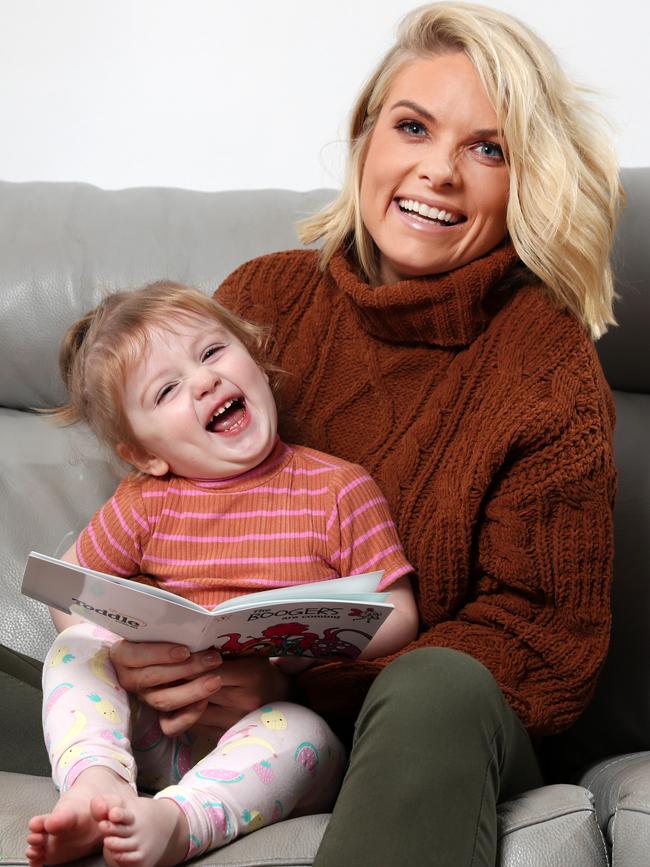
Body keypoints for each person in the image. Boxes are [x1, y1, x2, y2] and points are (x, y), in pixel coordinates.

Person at [3, 2, 622, 864]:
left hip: (407, 720)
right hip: (177, 714)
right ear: (367, 137)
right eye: (413, 126)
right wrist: (139, 657)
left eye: (490, 148)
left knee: (436, 686)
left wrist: (293, 681)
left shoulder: (545, 364)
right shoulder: (265, 298)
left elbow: (540, 645)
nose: (439, 170)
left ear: (527, 178)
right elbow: (163, 512)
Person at [24, 281, 419, 867]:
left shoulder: (340, 488)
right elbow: (71, 591)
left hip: (263, 742)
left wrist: (288, 651)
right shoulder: (145, 502)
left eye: (211, 353)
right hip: (158, 731)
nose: (204, 381)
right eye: (167, 389)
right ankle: (96, 782)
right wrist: (124, 649)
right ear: (144, 453)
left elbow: (401, 613)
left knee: (306, 731)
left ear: (257, 363)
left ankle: (180, 821)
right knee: (77, 646)